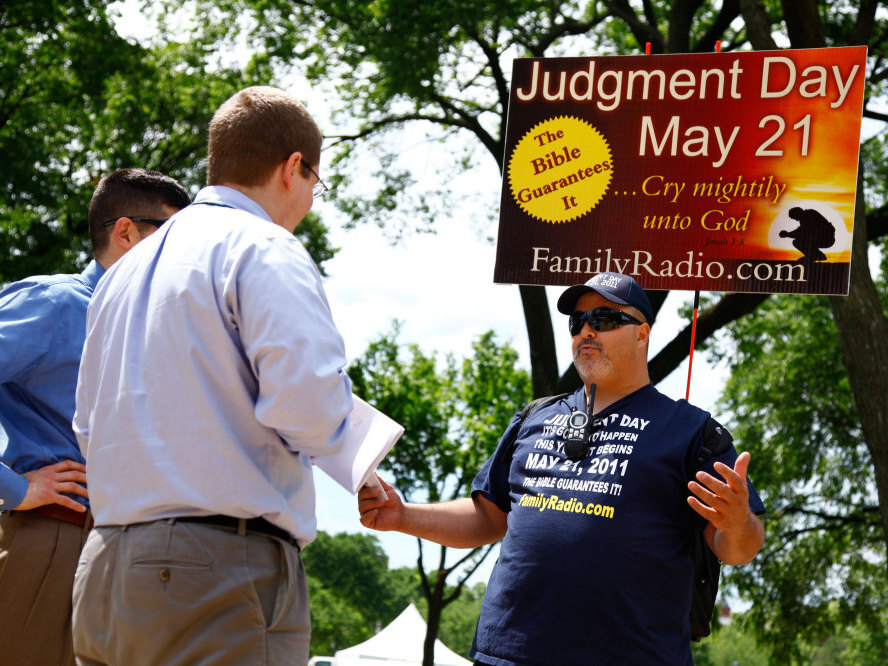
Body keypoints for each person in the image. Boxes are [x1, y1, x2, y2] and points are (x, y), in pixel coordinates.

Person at [72, 86, 352, 666]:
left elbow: (87, 427)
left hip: (103, 567)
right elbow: (311, 411)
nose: (309, 201)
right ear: (293, 167)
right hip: (216, 567)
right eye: (315, 185)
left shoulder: (121, 273)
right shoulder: (265, 246)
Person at [359, 271, 766, 666]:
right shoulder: (533, 417)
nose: (587, 331)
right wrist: (404, 515)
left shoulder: (692, 432)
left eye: (605, 319)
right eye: (578, 322)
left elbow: (739, 549)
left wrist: (736, 521)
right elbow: (488, 517)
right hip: (508, 654)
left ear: (642, 334)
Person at [0, 167, 190, 666]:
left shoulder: (160, 333)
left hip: (137, 556)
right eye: (173, 240)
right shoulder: (55, 304)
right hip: (52, 540)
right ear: (125, 232)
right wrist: (15, 489)